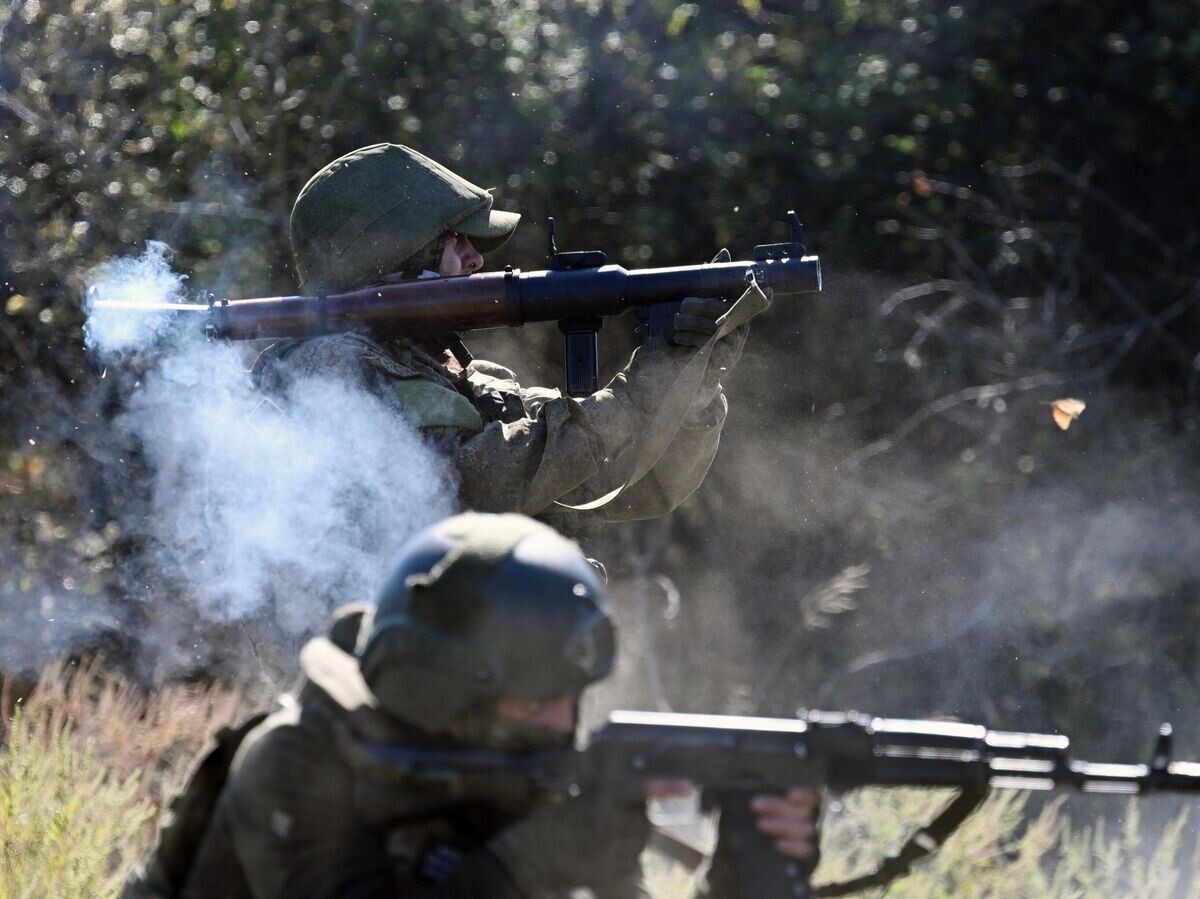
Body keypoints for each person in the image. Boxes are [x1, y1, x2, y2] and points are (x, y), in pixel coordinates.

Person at [125, 512, 819, 898]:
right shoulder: (299, 761)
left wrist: (736, 875)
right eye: (541, 700)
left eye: (572, 697)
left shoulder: (525, 777)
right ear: (448, 697)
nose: (563, 724)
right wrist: (537, 858)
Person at [254, 143, 759, 535]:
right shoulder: (327, 367)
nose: (475, 260)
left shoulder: (468, 378)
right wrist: (631, 397)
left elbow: (630, 486)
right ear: (396, 261)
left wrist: (691, 385)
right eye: (455, 243)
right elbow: (475, 485)